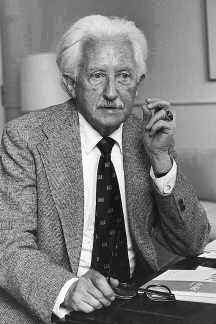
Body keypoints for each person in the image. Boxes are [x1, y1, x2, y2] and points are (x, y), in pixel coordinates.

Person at [0, 15, 210, 324]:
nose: (112, 92)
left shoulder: (148, 137)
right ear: (70, 83)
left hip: (133, 299)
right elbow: (8, 243)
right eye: (97, 75)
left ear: (138, 82)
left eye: (124, 75)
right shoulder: (26, 138)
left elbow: (193, 241)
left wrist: (162, 162)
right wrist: (66, 287)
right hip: (54, 302)